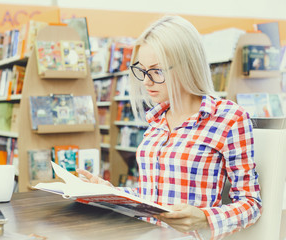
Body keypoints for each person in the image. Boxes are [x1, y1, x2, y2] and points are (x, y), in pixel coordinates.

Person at [77, 15, 262, 239]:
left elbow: (251, 204)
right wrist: (109, 192)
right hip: (141, 234)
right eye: (142, 70)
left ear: (187, 65)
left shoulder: (229, 118)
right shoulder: (156, 120)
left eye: (156, 71)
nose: (145, 82)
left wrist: (205, 218)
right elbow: (151, 198)